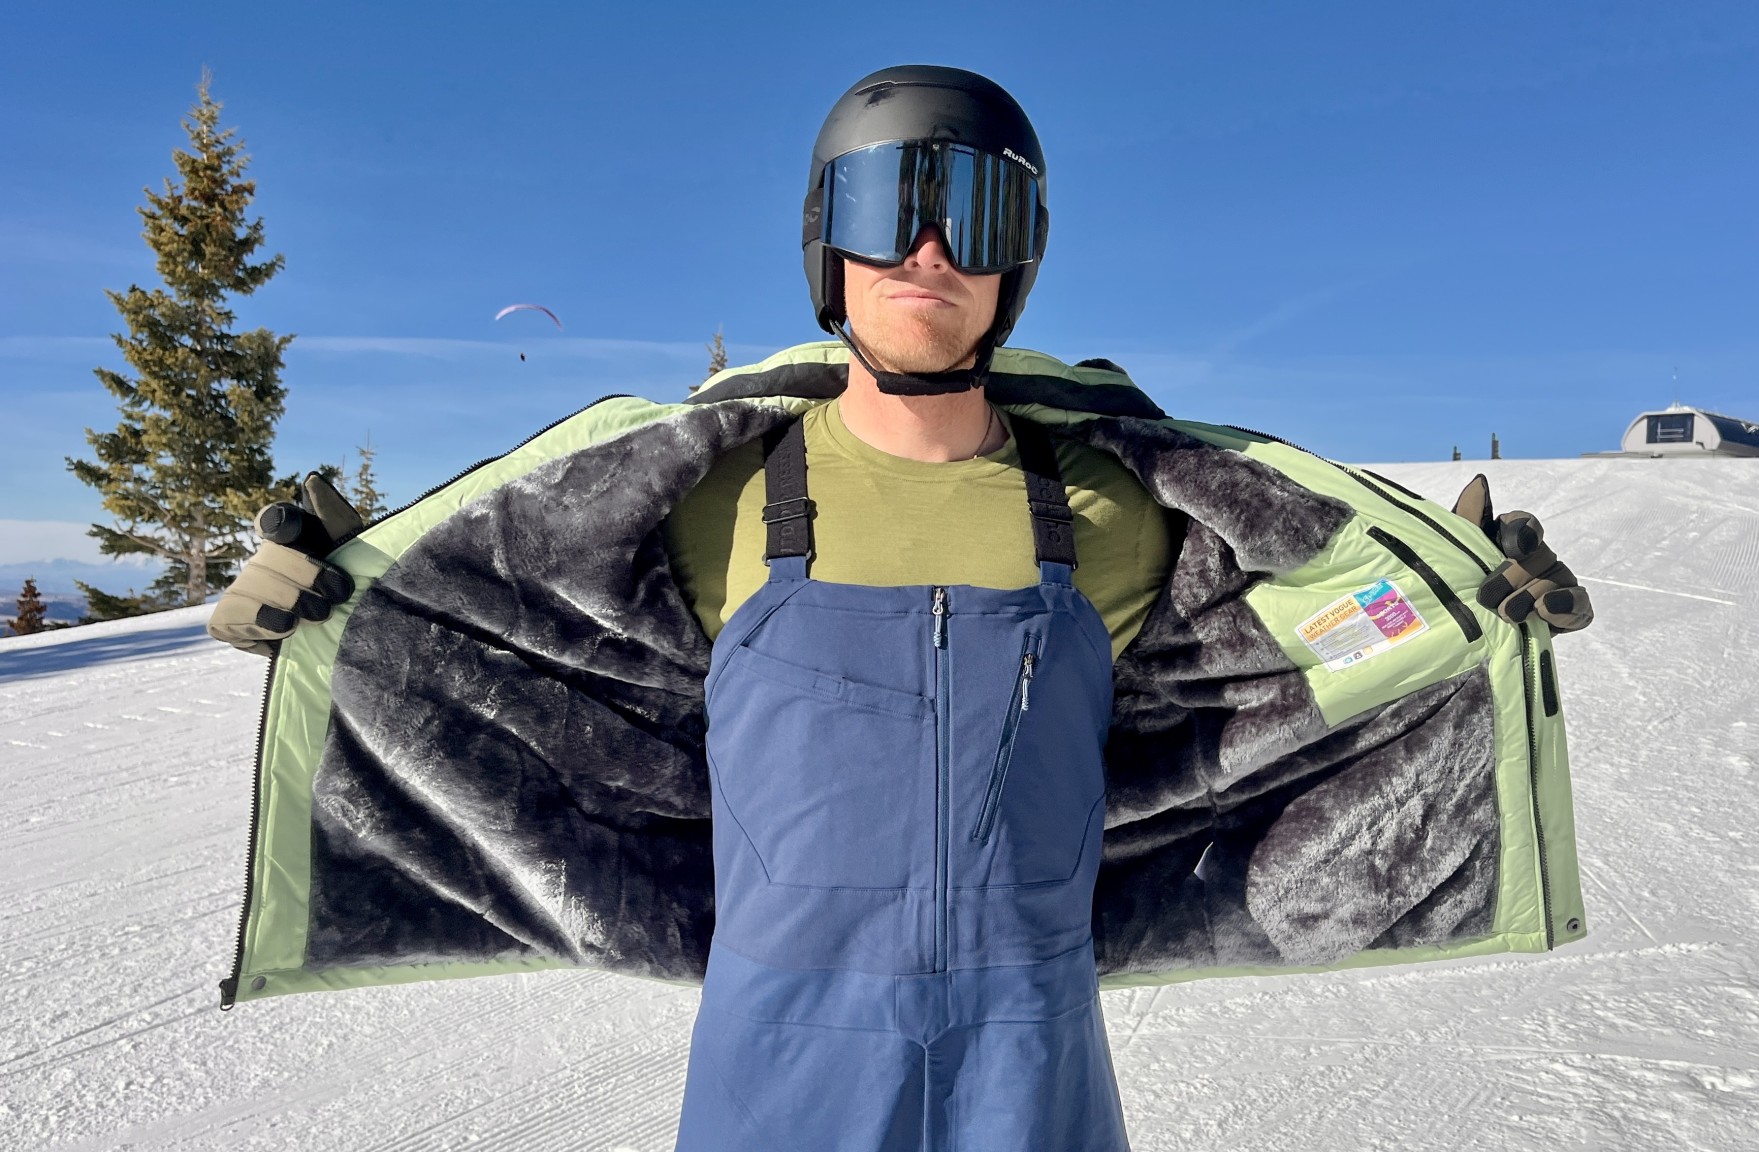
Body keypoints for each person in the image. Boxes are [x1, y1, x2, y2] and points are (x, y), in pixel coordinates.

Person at [208, 65, 1594, 1152]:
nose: (927, 250)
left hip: (1033, 1068)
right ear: (829, 246)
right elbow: (503, 654)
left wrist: (1448, 593)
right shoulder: (711, 498)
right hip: (777, 1077)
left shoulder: (1120, 515)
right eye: (886, 210)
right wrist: (344, 601)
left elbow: (1300, 666)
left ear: (1015, 263)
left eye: (972, 216)